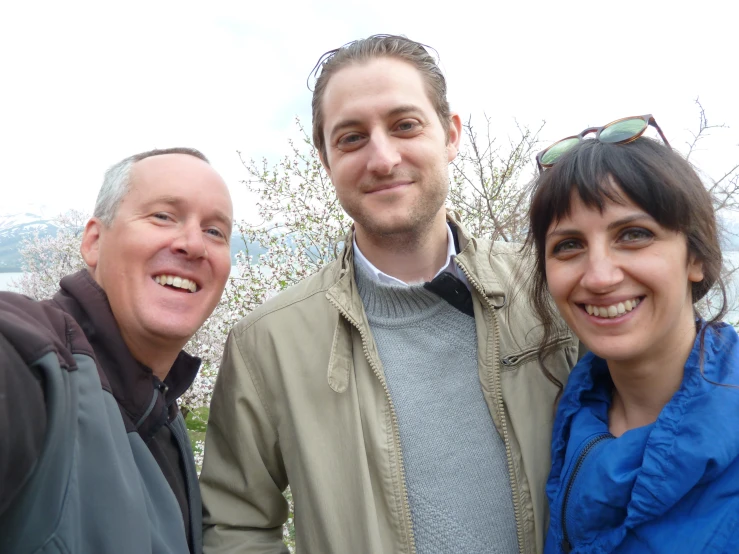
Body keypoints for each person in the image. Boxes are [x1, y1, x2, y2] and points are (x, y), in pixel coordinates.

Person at [200, 34, 578, 554]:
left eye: (405, 125)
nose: (382, 158)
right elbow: (235, 523)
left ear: (450, 134)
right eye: (351, 138)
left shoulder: (549, 291)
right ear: (326, 159)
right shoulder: (267, 343)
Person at [0, 147, 233, 554]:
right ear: (93, 242)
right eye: (163, 216)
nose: (194, 244)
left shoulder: (161, 410)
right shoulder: (34, 360)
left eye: (215, 231)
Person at [525, 116, 739, 553]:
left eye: (634, 235)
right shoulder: (572, 417)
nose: (600, 276)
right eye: (568, 245)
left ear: (695, 257)